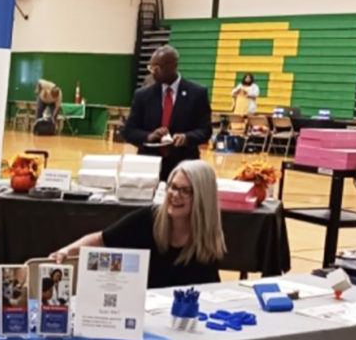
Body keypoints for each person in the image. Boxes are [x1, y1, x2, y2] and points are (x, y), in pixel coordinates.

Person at [49, 160, 225, 288]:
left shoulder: (207, 239)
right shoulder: (147, 218)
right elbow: (101, 239)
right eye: (172, 187)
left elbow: (210, 291)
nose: (175, 195)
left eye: (185, 191)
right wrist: (67, 251)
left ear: (202, 197)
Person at [122, 45, 211, 181]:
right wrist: (149, 136)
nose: (153, 73)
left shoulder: (197, 94)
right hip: (149, 165)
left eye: (156, 68)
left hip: (183, 166)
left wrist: (186, 137)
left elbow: (205, 131)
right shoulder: (142, 95)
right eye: (151, 68)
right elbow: (129, 131)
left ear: (172, 66)